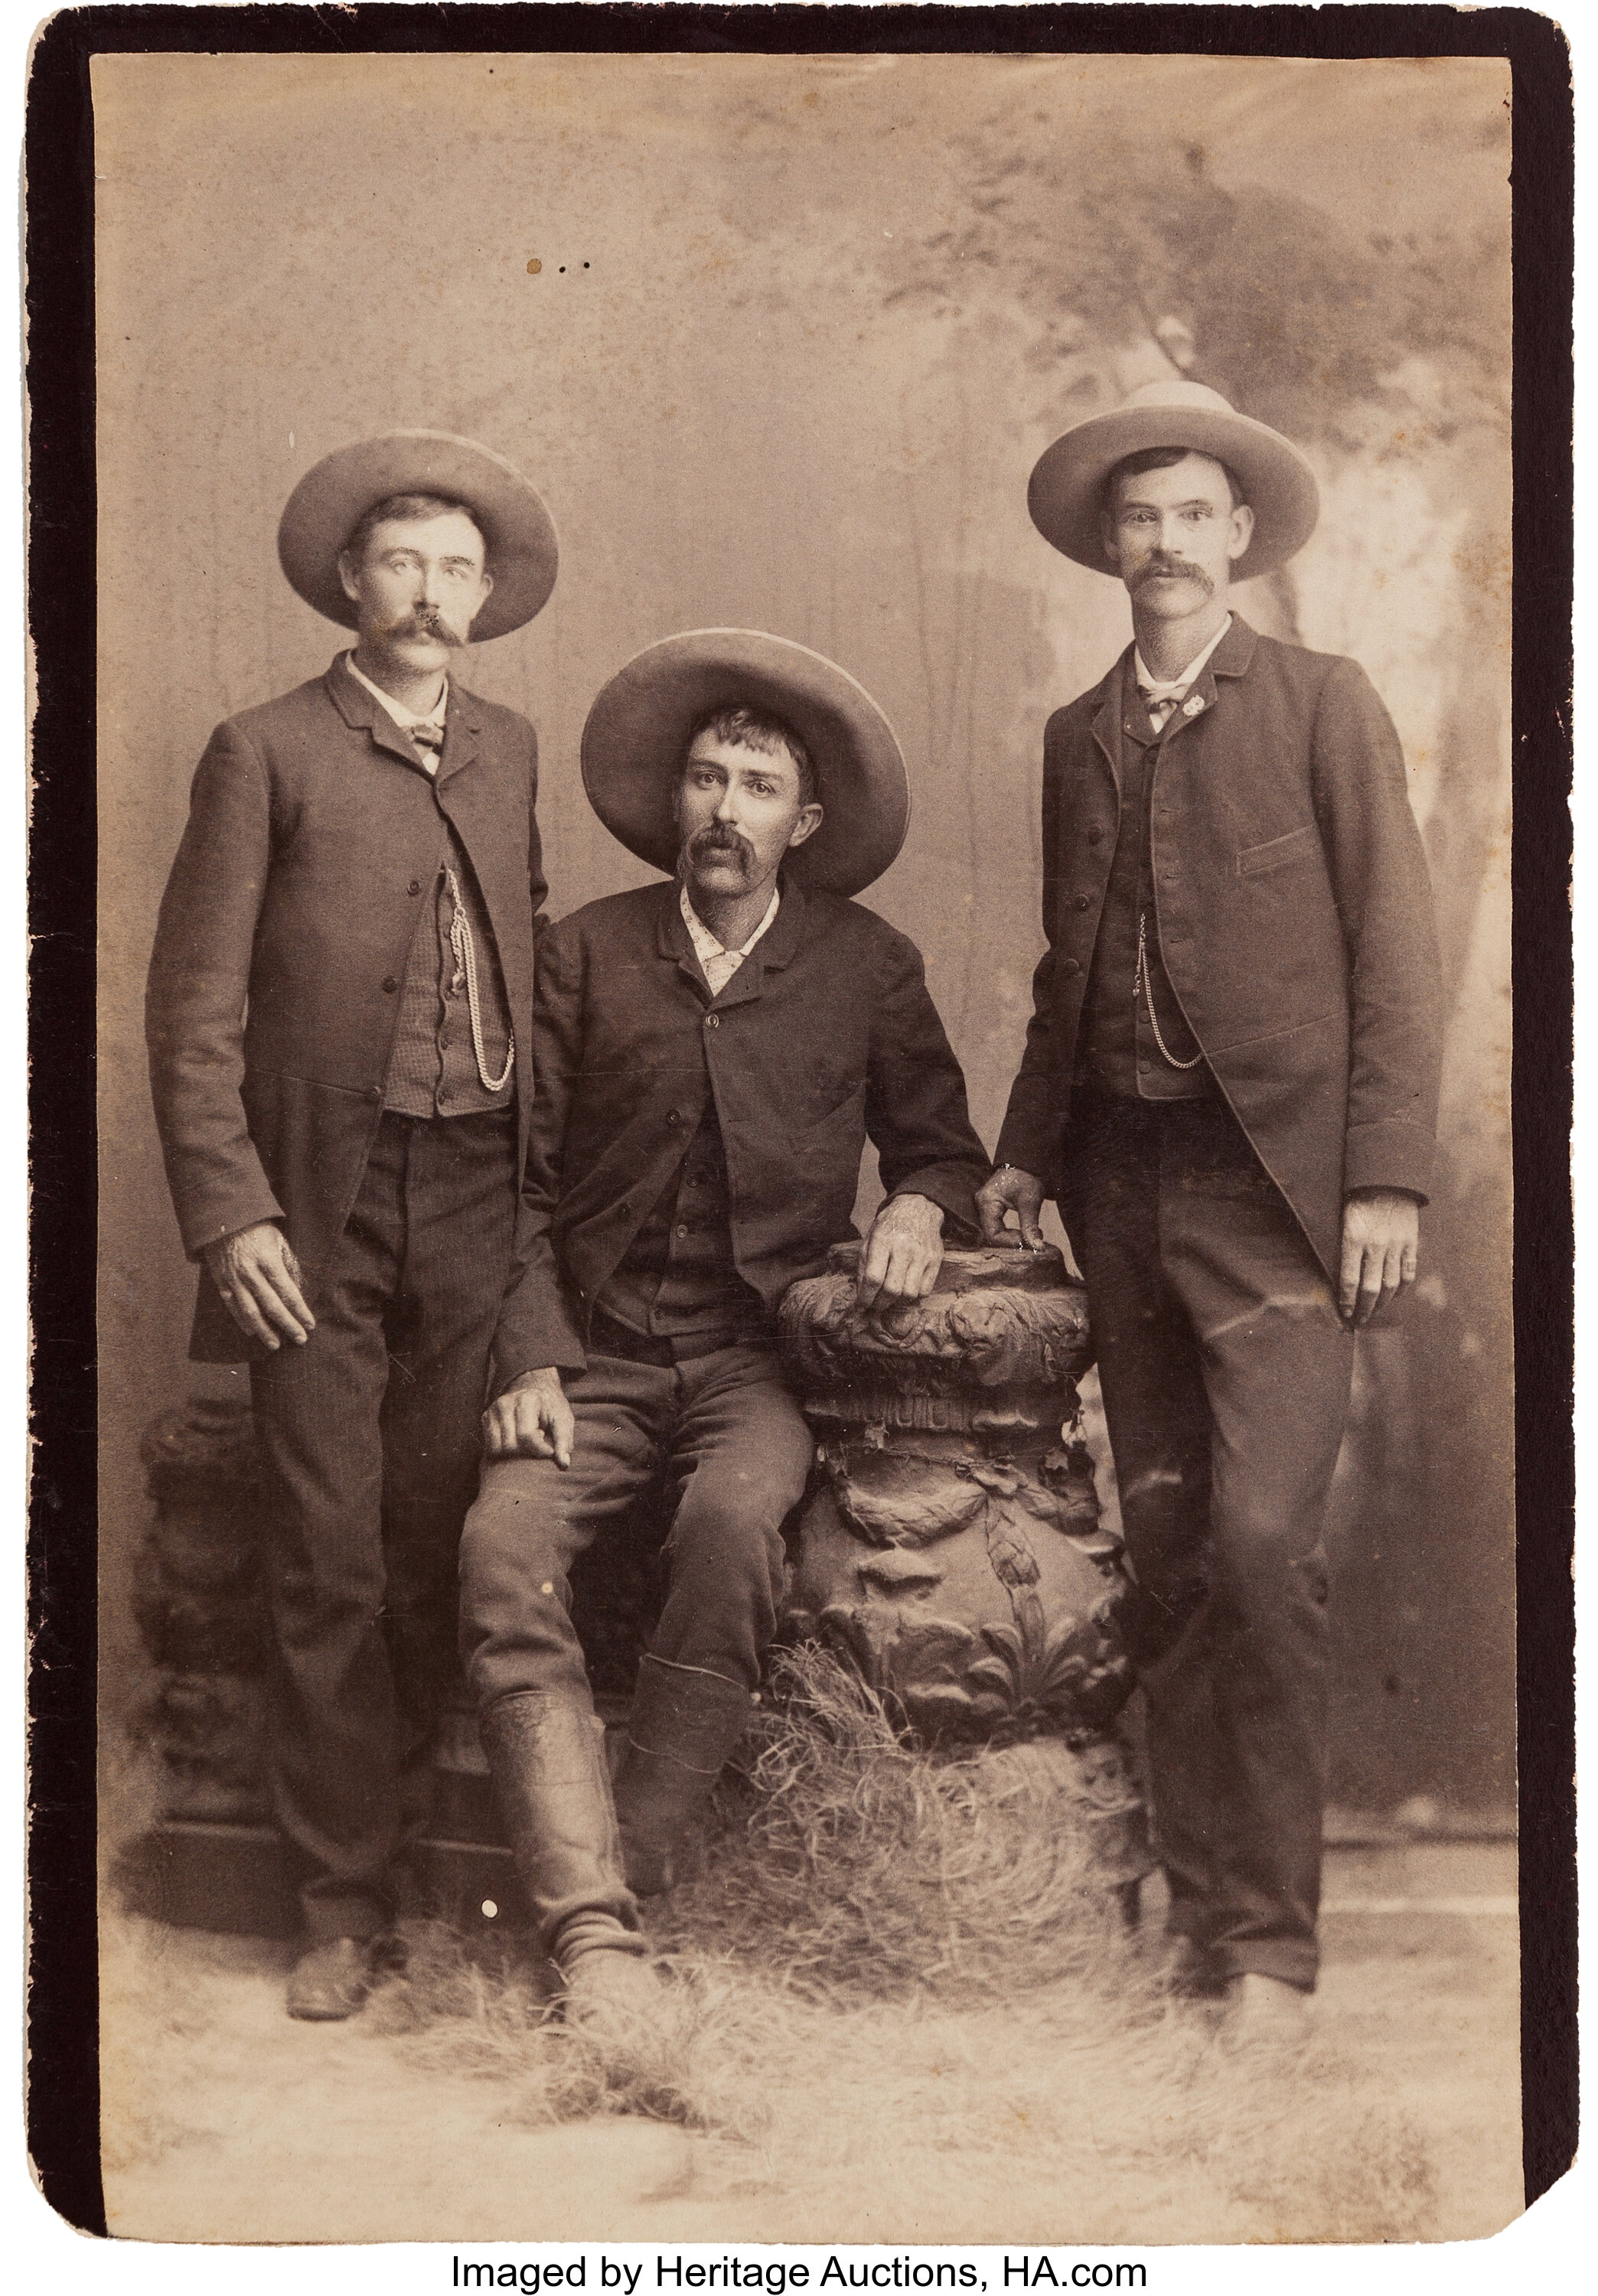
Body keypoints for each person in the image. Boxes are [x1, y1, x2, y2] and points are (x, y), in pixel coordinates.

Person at [977, 378, 1443, 2049]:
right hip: (1119, 1190)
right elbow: (1067, 971)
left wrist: (1383, 1173)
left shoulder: (1321, 704)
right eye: (1139, 519)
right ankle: (1190, 1928)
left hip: (1280, 1204)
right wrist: (1025, 1149)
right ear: (1108, 546)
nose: (1165, 543)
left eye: (1193, 516)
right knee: (1167, 1551)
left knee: (1262, 1547)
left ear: (1237, 536)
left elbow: (1398, 948)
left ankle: (1273, 1956)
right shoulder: (1073, 737)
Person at [456, 629, 990, 2027]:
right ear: (673, 805)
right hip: (591, 1353)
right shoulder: (581, 955)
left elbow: (943, 1148)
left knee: (737, 1525)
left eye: (758, 785)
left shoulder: (868, 966)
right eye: (705, 778)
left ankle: (608, 1901)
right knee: (503, 1551)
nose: (724, 809)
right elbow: (511, 1187)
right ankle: (592, 1930)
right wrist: (528, 1356)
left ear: (802, 824)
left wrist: (922, 1209)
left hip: (757, 1366)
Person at [146, 432, 560, 2020]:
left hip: (471, 1199)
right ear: (347, 579)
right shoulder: (264, 751)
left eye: (459, 569)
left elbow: (526, 982)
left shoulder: (511, 747)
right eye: (403, 561)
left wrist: (528, 1281)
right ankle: (335, 1906)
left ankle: (432, 1885)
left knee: (435, 1542)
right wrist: (229, 1211)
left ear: (486, 596)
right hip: (315, 1205)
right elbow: (192, 1009)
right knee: (325, 1557)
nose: (431, 593)